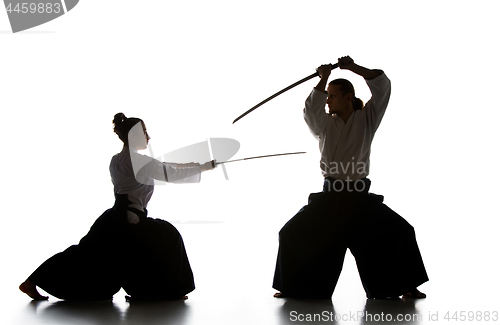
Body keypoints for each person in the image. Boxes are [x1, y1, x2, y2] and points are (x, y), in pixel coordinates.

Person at [272, 56, 428, 299]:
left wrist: (352, 68)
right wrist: (323, 79)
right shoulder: (324, 124)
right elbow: (310, 111)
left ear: (347, 96)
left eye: (333, 95)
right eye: (327, 96)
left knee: (401, 231)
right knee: (290, 233)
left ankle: (404, 285)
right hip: (330, 197)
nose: (327, 100)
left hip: (359, 199)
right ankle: (295, 287)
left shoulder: (367, 118)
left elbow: (382, 86)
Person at [19, 113, 216, 301]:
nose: (149, 137)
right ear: (136, 136)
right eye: (145, 132)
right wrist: (202, 169)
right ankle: (166, 292)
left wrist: (199, 165)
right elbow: (169, 173)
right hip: (132, 221)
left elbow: (162, 165)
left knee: (82, 253)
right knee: (169, 238)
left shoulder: (117, 160)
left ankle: (32, 280)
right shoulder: (142, 162)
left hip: (113, 218)